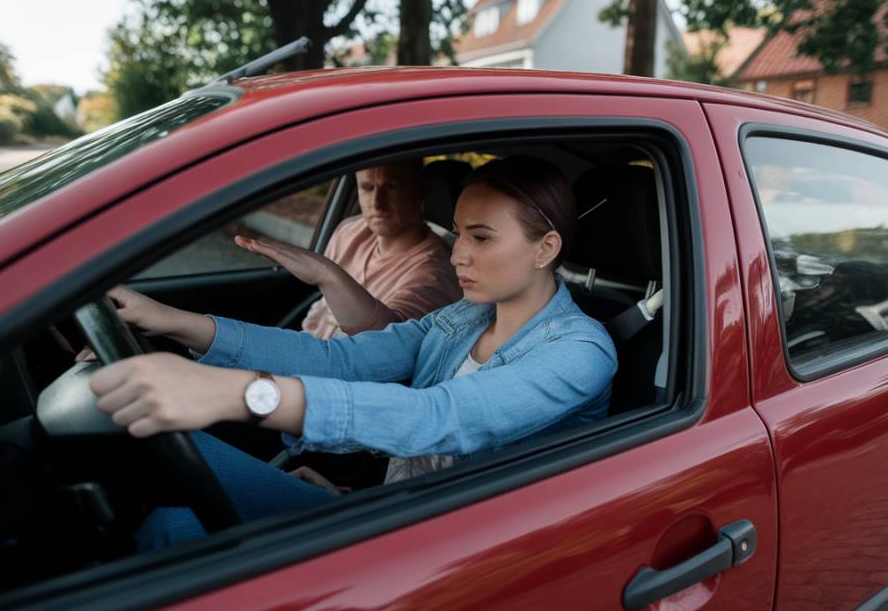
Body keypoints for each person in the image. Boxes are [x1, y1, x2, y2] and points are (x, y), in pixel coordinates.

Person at [89, 157, 618, 549]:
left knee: (168, 533)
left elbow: (439, 418)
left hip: (444, 548)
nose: (457, 254)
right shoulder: (463, 318)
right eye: (457, 233)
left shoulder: (580, 352)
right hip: (386, 509)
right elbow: (339, 361)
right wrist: (170, 321)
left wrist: (241, 393)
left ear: (546, 248)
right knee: (154, 488)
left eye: (481, 238)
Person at [236, 160, 462, 339]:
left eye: (393, 187)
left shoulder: (434, 274)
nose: (377, 204)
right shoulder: (350, 232)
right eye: (367, 187)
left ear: (420, 191)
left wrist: (326, 274)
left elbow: (387, 341)